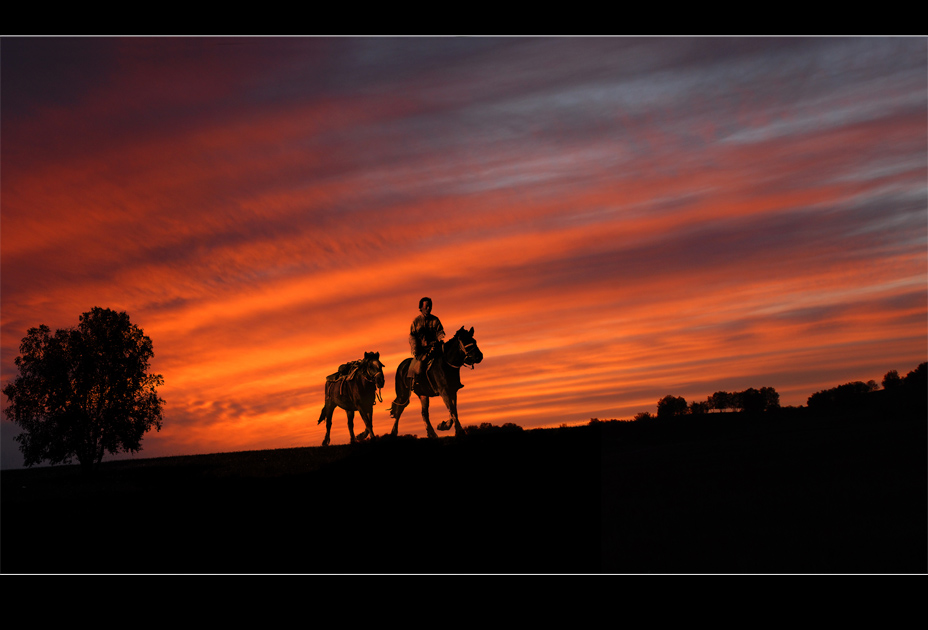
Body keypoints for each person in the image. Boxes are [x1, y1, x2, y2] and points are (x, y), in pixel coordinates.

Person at [407, 297, 444, 392]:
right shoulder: (416, 321)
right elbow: (412, 336)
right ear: (421, 308)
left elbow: (440, 332)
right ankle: (416, 383)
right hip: (421, 351)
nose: (429, 308)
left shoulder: (435, 320)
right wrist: (415, 349)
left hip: (434, 349)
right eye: (426, 306)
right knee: (416, 367)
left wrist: (440, 338)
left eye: (430, 306)